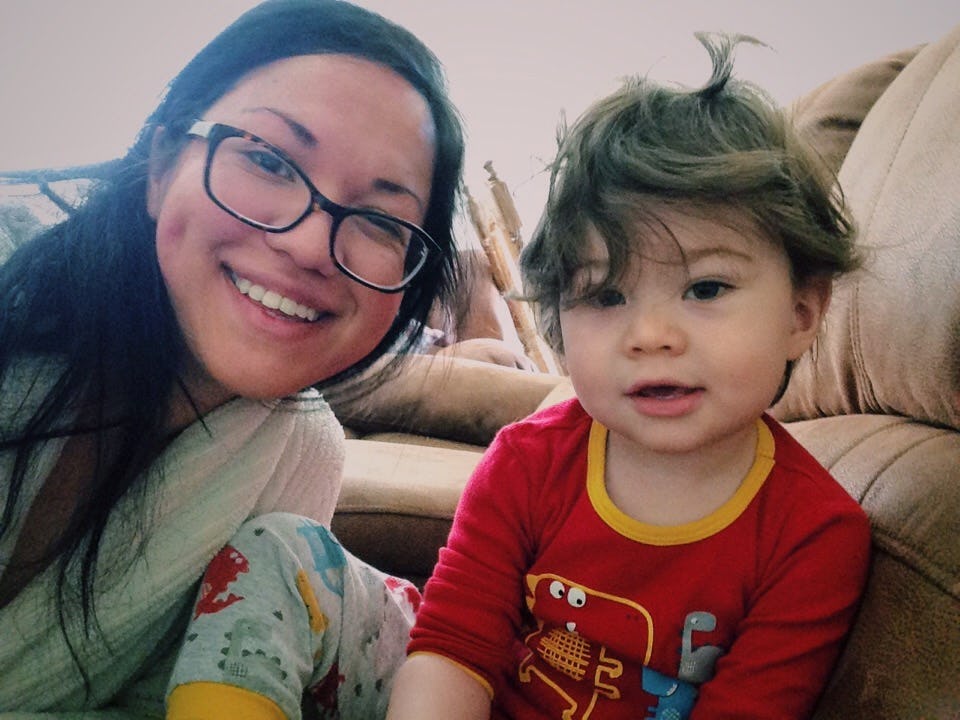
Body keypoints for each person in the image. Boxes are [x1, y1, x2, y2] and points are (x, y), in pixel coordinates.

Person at [386, 33, 872, 720]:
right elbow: (452, 648)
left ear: (801, 313)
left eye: (705, 288)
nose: (649, 335)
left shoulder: (815, 537)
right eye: (606, 296)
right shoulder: (525, 462)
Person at [0, 0, 464, 716]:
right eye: (269, 160)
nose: (309, 246)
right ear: (162, 165)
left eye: (380, 219)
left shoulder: (298, 455)